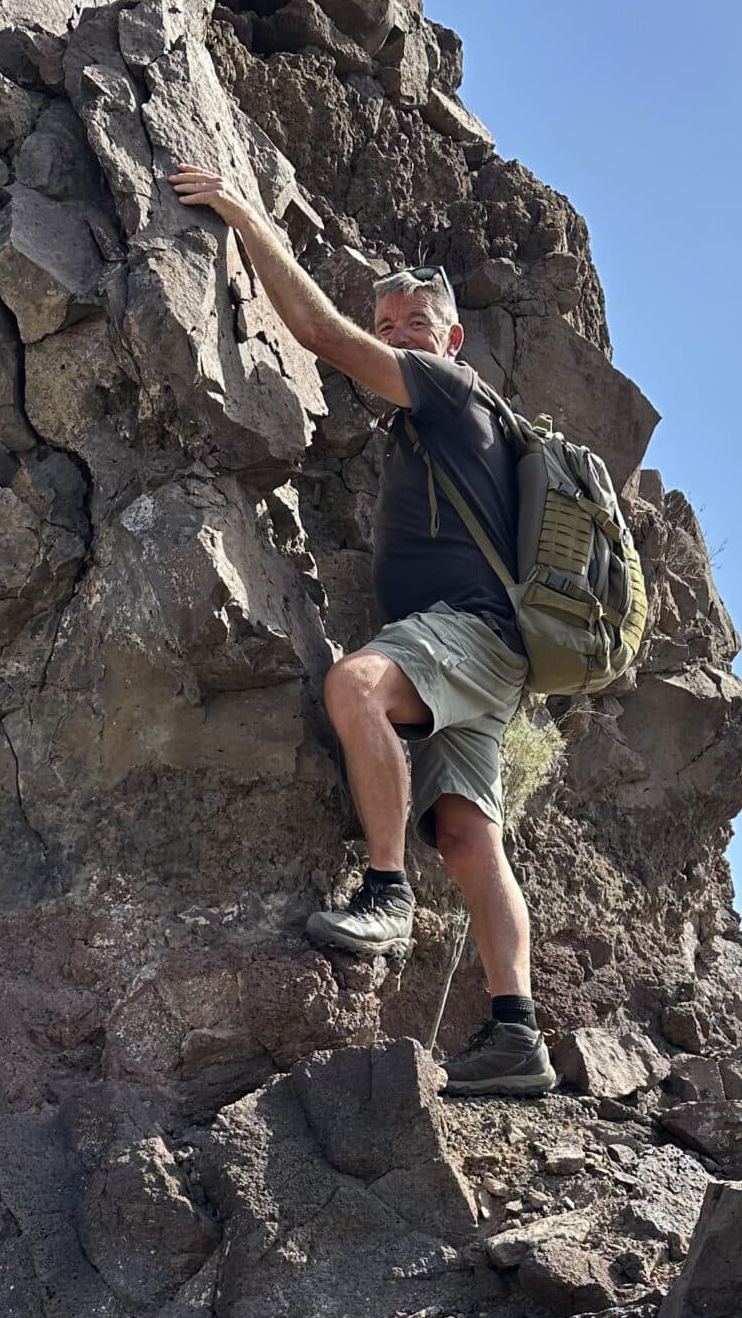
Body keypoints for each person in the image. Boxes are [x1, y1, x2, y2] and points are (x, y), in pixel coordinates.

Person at [168, 164, 554, 1098]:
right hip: (492, 656)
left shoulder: (451, 390)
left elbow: (316, 334)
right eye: (391, 329)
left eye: (413, 327)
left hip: (464, 632)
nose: (397, 341)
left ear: (451, 338)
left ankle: (385, 893)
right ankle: (517, 1035)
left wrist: (245, 217)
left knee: (355, 687)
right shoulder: (465, 421)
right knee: (467, 834)